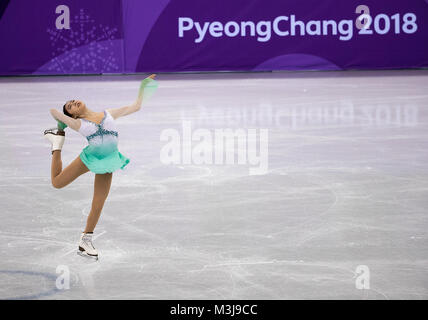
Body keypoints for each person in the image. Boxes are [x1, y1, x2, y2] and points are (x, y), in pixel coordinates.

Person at [43, 74, 157, 259]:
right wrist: (61, 123)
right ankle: (56, 144)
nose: (74, 103)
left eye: (73, 101)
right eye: (71, 106)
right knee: (57, 183)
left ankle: (85, 240)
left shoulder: (108, 114)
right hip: (90, 157)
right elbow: (53, 111)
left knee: (98, 203)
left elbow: (136, 106)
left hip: (108, 160)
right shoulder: (78, 123)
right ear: (74, 115)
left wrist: (143, 86)